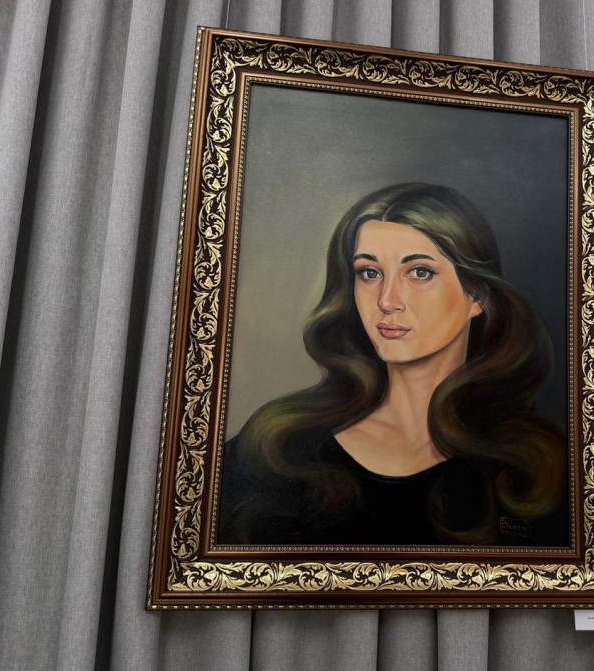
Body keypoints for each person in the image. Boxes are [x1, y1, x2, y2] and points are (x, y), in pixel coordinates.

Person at [219, 183, 567, 546]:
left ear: (477, 295)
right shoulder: (277, 444)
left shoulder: (537, 464)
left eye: (419, 272)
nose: (387, 300)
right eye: (369, 273)